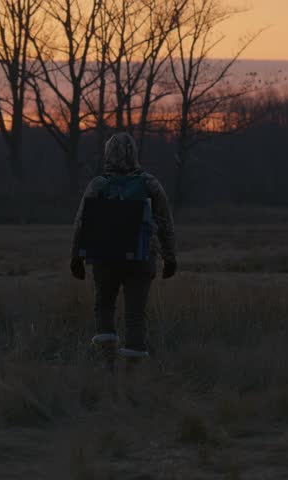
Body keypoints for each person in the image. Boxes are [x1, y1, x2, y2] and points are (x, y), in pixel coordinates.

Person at [69, 132, 177, 372]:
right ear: (134, 153)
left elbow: (81, 222)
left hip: (104, 258)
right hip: (142, 259)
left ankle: (108, 364)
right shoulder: (150, 183)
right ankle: (132, 373)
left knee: (104, 305)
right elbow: (165, 223)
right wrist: (170, 258)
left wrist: (76, 257)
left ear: (108, 153)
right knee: (135, 314)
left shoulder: (98, 184)